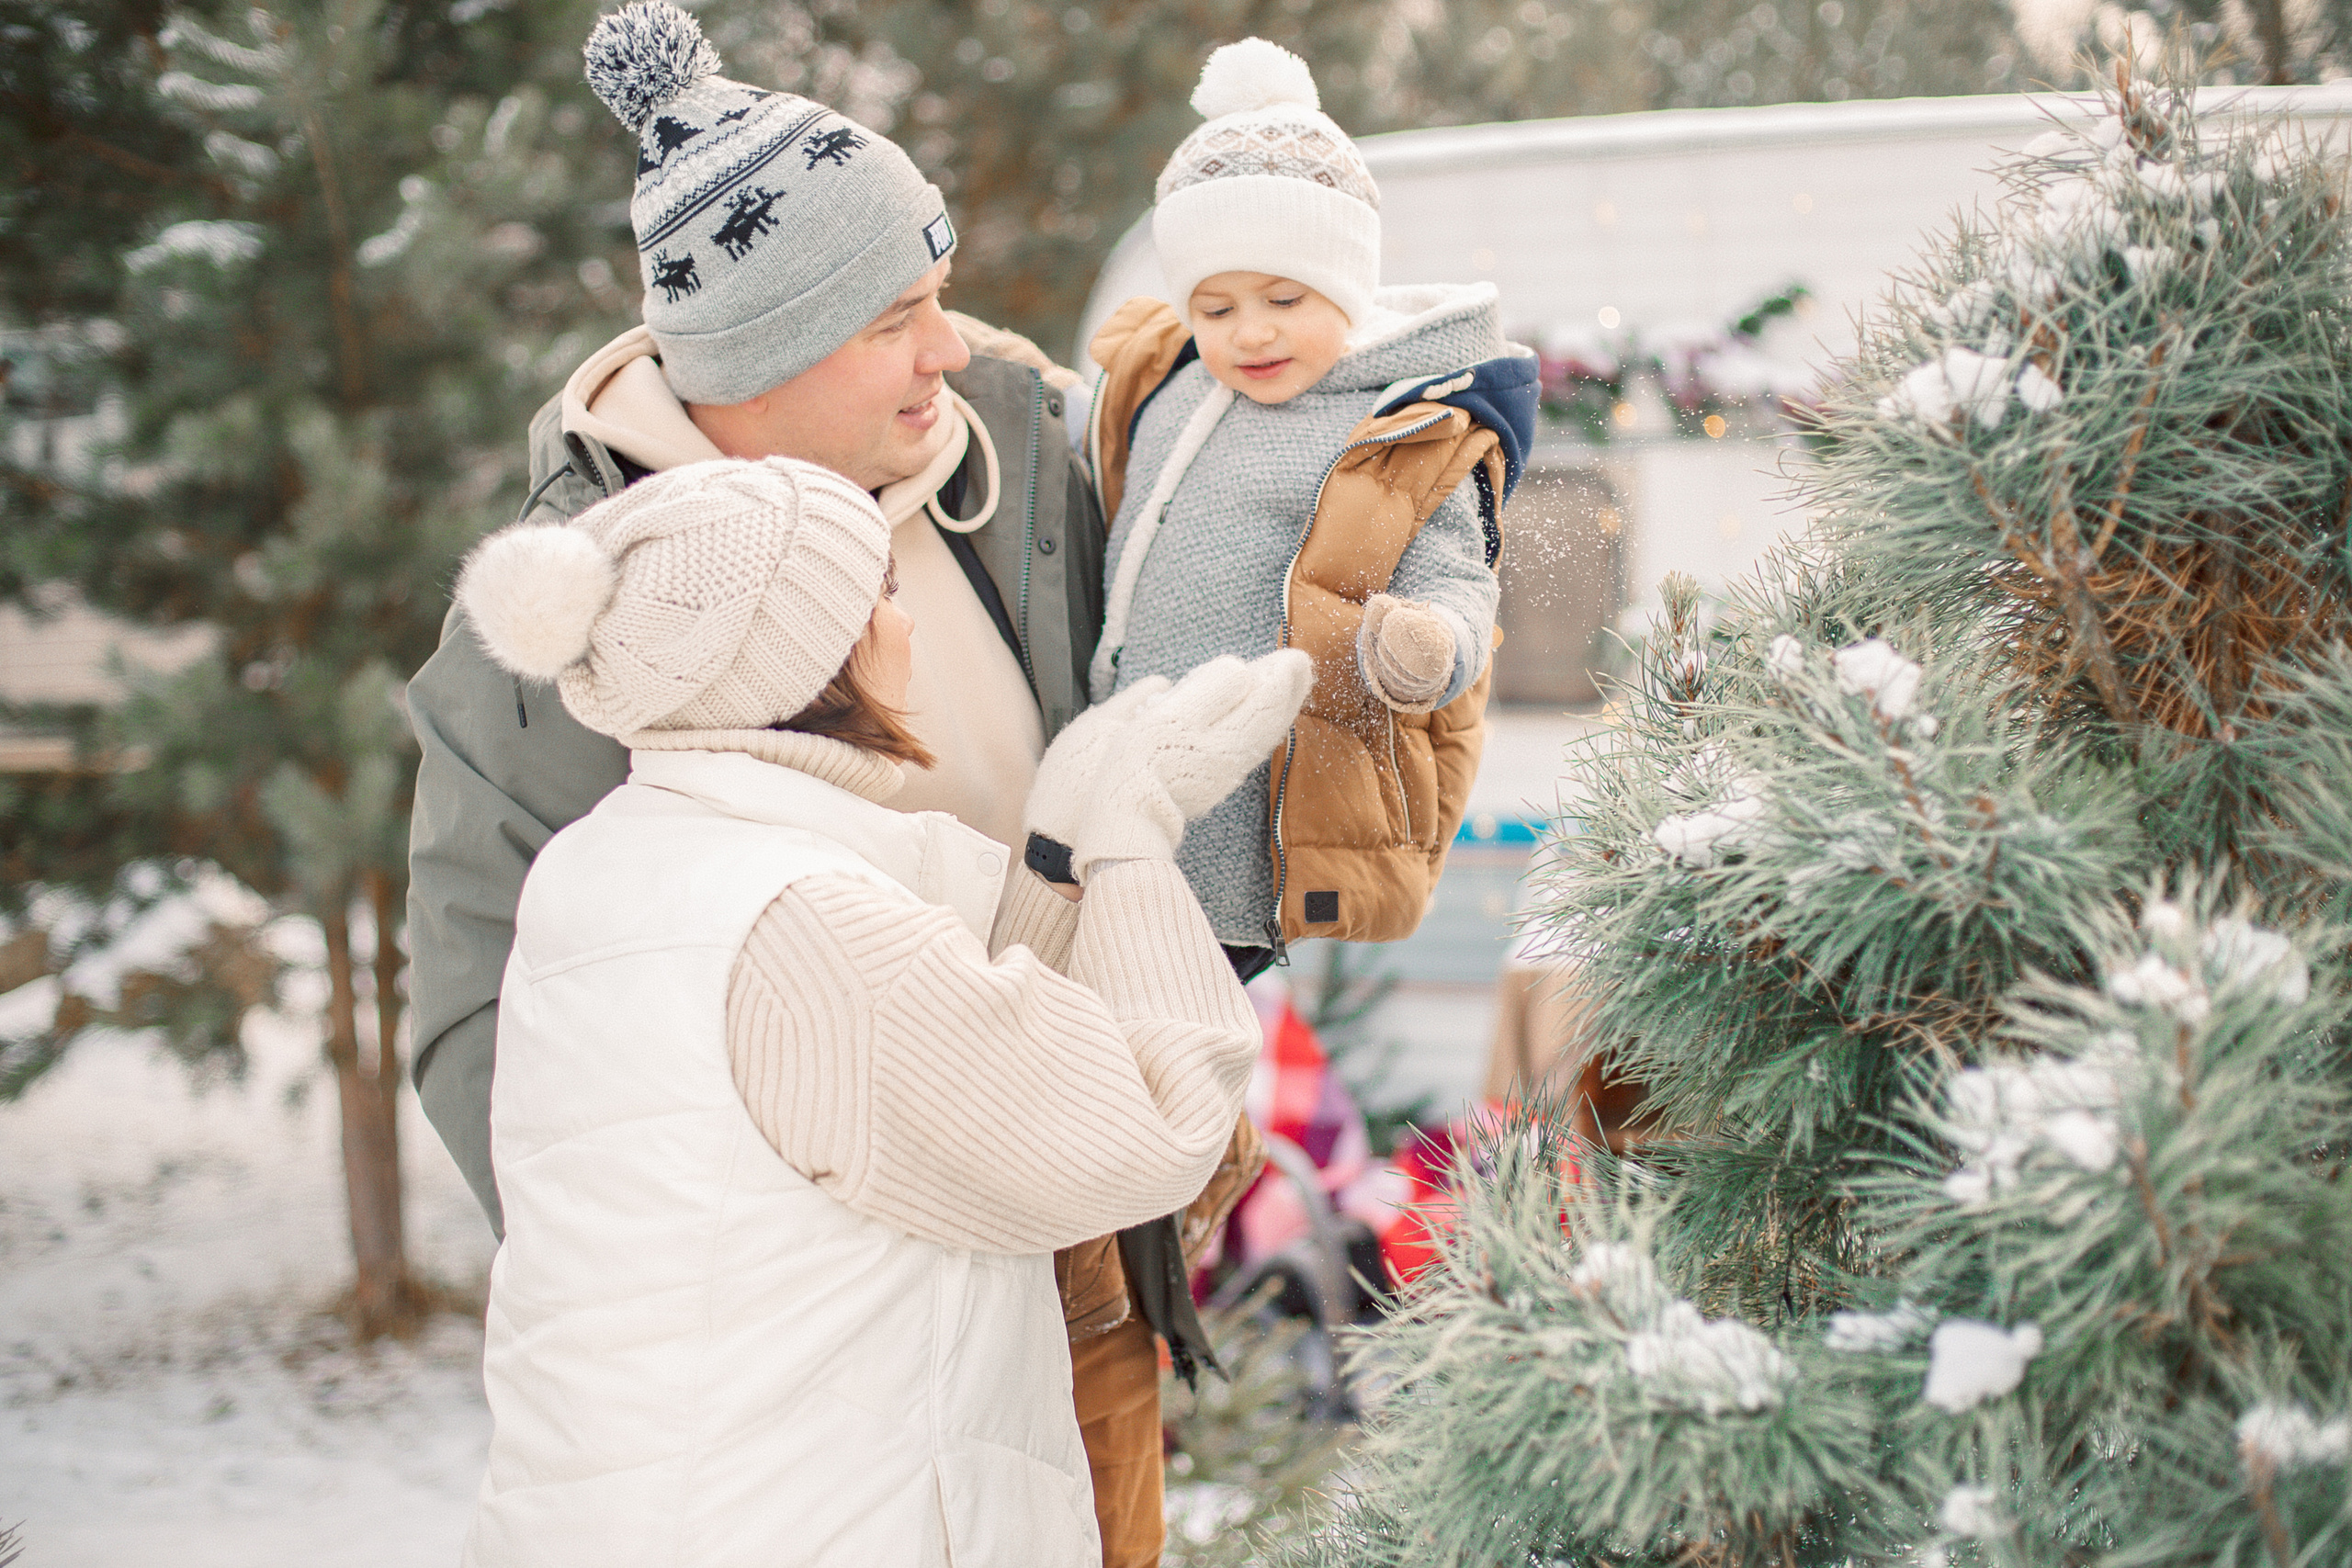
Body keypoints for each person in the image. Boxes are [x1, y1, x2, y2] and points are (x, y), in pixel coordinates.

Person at [403, 6, 1228, 1560]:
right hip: (822, 1345)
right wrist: (779, 1275)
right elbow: (483, 1022)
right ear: (757, 362)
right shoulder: (576, 602)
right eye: (892, 313)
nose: (955, 342)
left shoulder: (1007, 454)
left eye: (943, 288)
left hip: (1078, 1262)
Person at [448, 454, 1311, 1567]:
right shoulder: (814, 933)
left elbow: (939, 1004)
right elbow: (1150, 1128)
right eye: (886, 601)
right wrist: (1130, 844)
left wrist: (1053, 855)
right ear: (818, 656)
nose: (910, 631)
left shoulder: (607, 870)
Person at [1079, 39, 1541, 966]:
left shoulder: (1398, 426)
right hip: (1117, 775)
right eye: (1214, 309)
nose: (1248, 332)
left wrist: (1425, 645)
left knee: (1173, 1027)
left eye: (1285, 298)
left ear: (1344, 284)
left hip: (1248, 807)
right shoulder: (1168, 382)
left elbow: (1457, 581)